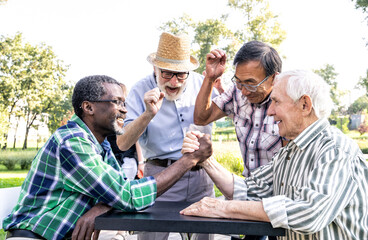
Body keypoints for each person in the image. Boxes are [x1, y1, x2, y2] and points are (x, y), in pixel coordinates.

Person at [2, 75, 212, 240]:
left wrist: (103, 206)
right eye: (117, 102)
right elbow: (127, 196)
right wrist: (189, 160)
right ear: (89, 107)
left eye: (124, 102)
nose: (124, 109)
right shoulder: (72, 143)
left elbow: (118, 188)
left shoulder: (99, 144)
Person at [181, 70, 368, 240]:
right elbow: (248, 191)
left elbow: (310, 212)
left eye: (276, 102)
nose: (270, 111)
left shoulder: (335, 150)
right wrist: (205, 158)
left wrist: (222, 208)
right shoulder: (289, 152)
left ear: (305, 104)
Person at [117, 32, 218, 240]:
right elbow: (123, 142)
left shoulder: (203, 83)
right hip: (160, 177)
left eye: (181, 74)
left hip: (201, 177)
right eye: (167, 74)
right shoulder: (139, 89)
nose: (174, 82)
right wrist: (147, 114)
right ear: (155, 68)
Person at [194, 41, 283, 240]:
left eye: (251, 83)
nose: (244, 91)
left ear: (274, 78)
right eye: (239, 82)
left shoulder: (286, 102)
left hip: (281, 202)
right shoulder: (237, 94)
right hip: (249, 195)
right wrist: (210, 78)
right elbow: (201, 117)